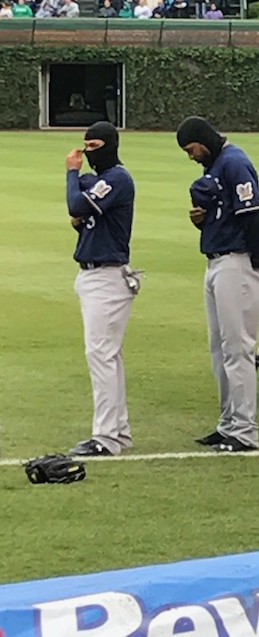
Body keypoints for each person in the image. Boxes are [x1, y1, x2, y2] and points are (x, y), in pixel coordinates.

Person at [177, 116, 259, 453]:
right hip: (218, 261)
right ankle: (229, 422)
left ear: (203, 139)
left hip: (237, 262)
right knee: (219, 348)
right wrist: (201, 222)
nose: (191, 156)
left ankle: (244, 431)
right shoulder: (216, 164)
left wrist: (255, 261)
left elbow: (254, 214)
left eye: (192, 148)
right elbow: (223, 213)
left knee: (237, 348)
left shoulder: (234, 162)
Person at [66, 122, 140, 457]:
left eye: (94, 146)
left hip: (108, 278)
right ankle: (118, 432)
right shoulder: (104, 181)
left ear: (110, 145)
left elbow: (76, 205)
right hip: (94, 276)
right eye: (86, 146)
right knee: (108, 355)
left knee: (101, 356)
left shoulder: (118, 178)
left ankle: (106, 437)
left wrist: (72, 173)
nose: (88, 152)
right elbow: (81, 209)